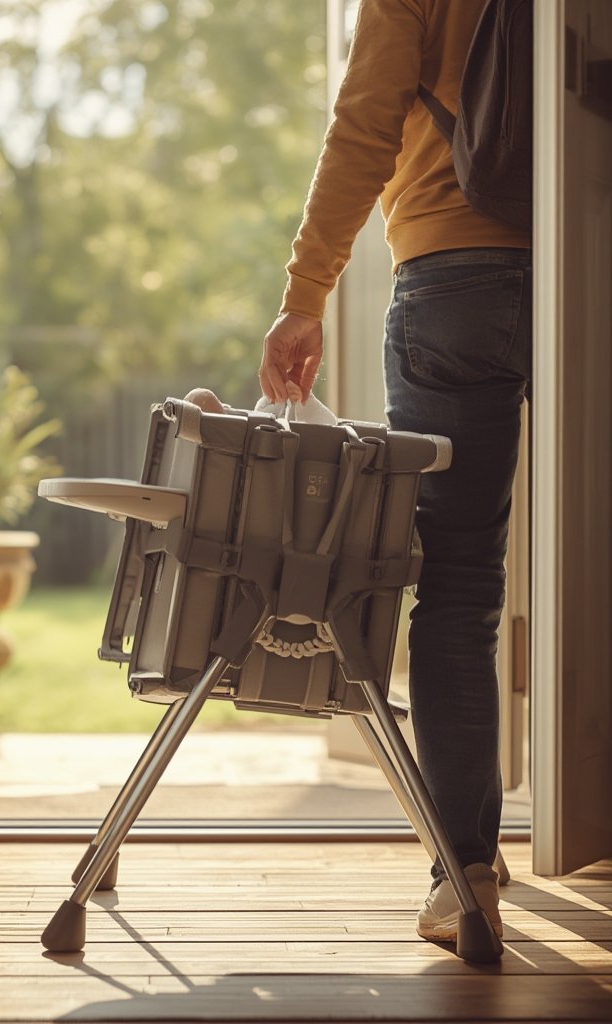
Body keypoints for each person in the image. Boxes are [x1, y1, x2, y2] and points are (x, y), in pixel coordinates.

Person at [259, 0, 531, 942]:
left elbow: (366, 122)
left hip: (450, 275)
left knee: (457, 591)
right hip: (587, 264)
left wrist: (305, 295)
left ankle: (465, 877)